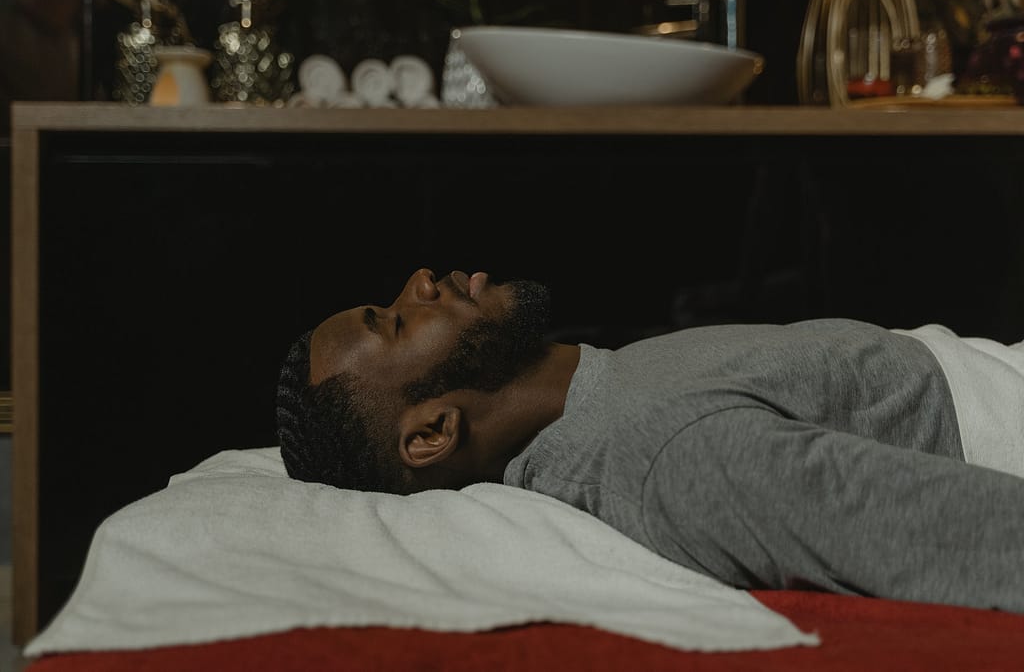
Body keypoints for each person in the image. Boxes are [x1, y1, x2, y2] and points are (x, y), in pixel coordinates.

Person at [276, 267, 1024, 613]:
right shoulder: (662, 453)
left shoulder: (600, 391)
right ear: (434, 431)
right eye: (397, 319)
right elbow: (966, 534)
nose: (421, 279)